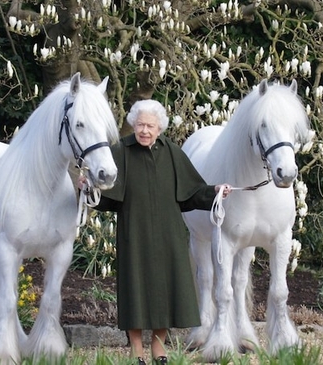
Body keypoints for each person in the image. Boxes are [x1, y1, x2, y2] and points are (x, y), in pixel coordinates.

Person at [80, 99, 231, 365]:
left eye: (150, 125)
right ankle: (137, 352)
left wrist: (215, 191)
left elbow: (192, 193)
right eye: (139, 125)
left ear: (159, 127)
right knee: (135, 291)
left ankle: (158, 349)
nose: (144, 131)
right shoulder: (121, 152)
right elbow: (107, 197)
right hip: (133, 234)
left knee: (166, 291)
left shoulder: (171, 152)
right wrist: (87, 188)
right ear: (133, 125)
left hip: (168, 234)